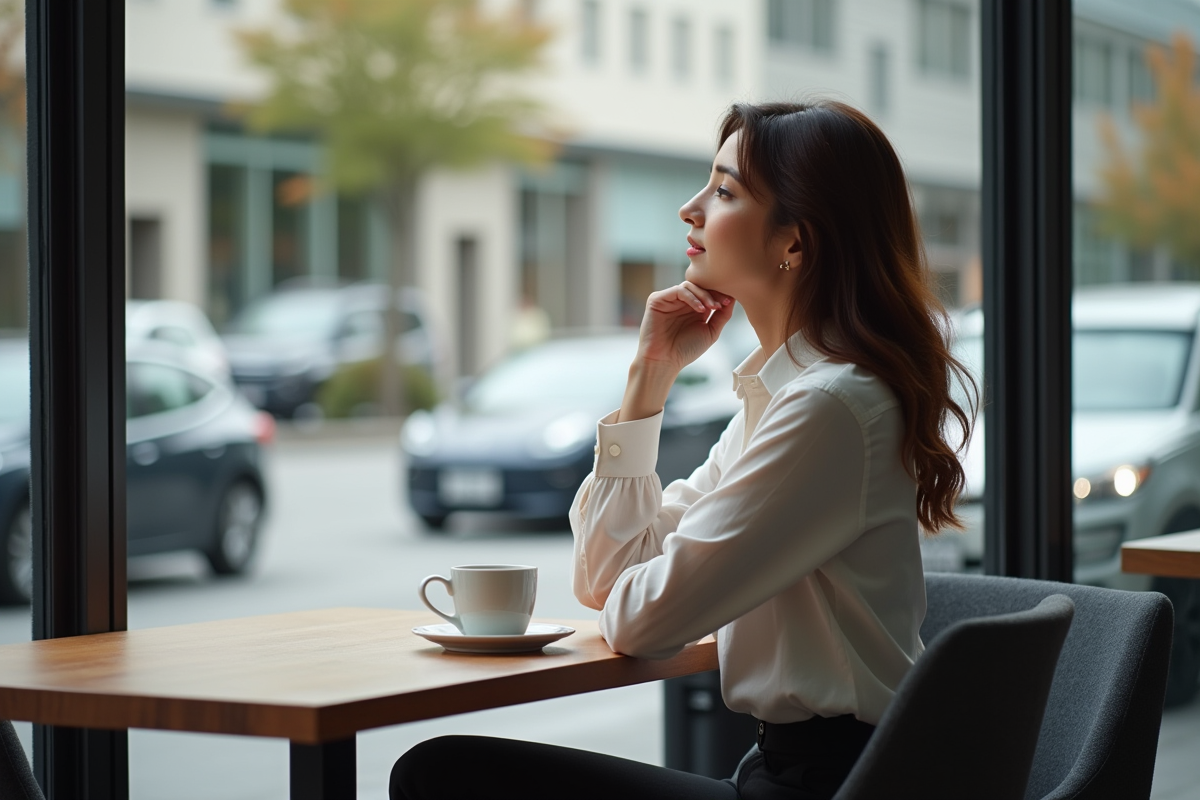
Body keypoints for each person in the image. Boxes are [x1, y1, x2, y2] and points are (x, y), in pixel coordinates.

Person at [389, 100, 976, 800]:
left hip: (833, 783)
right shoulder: (788, 399)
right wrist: (648, 380)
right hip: (805, 770)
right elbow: (607, 580)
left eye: (724, 191)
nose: (689, 209)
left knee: (442, 773)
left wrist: (648, 589)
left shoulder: (828, 409)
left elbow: (640, 621)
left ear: (796, 242)